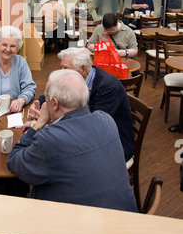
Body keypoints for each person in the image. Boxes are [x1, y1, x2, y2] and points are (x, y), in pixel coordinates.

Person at [7, 69, 137, 212]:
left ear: (55, 104)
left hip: (78, 226)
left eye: (47, 98)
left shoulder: (50, 139)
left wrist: (37, 125)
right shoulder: (106, 120)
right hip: (125, 217)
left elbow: (14, 161)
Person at [29, 47, 135, 163]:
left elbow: (93, 128)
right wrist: (40, 102)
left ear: (83, 69)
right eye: (62, 67)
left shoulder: (108, 87)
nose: (62, 72)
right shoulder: (75, 78)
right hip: (88, 136)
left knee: (57, 159)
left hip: (113, 145)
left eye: (66, 68)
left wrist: (46, 122)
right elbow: (55, 89)